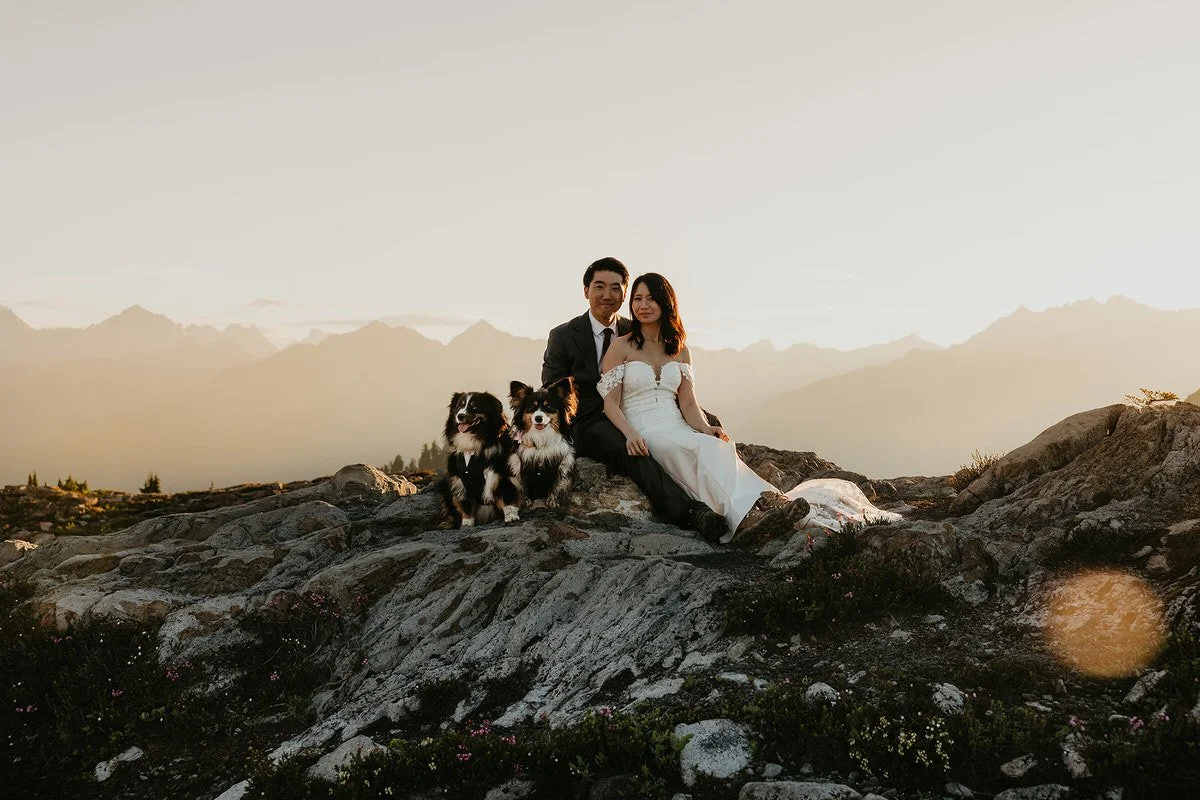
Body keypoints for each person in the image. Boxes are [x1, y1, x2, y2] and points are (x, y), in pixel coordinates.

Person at [599, 272, 899, 543]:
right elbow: (610, 403)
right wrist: (629, 433)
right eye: (637, 298)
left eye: (651, 298)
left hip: (677, 423)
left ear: (666, 303)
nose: (643, 305)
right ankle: (746, 516)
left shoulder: (679, 349)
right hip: (646, 430)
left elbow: (688, 402)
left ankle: (761, 505)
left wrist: (705, 428)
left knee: (714, 446)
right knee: (693, 451)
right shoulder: (622, 346)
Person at [541, 257, 728, 539]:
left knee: (710, 423)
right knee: (631, 448)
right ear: (585, 291)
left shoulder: (636, 328)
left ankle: (726, 496)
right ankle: (690, 512)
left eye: (616, 288)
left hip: (638, 408)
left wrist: (697, 417)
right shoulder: (564, 336)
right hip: (590, 421)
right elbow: (552, 391)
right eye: (599, 287)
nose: (607, 295)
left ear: (624, 293)